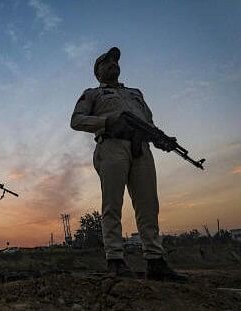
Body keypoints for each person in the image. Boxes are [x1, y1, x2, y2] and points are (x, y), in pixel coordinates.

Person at [70, 47, 187, 282]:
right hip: (112, 146)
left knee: (148, 205)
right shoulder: (92, 94)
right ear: (97, 71)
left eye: (115, 61)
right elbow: (76, 120)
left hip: (141, 148)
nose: (112, 63)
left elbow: (150, 123)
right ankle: (115, 259)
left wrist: (161, 139)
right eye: (106, 61)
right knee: (112, 204)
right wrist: (107, 121)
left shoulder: (135, 93)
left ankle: (155, 259)